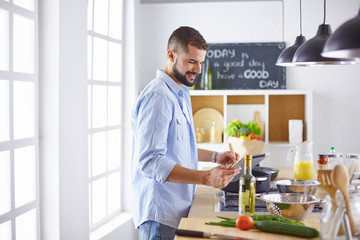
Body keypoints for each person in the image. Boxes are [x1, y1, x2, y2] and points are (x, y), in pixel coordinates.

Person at [131, 26, 241, 240]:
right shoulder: (158, 96)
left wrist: (214, 156)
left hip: (177, 210)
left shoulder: (180, 92)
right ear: (171, 55)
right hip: (160, 215)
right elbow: (150, 161)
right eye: (192, 61)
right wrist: (206, 178)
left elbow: (178, 146)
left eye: (201, 62)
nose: (198, 69)